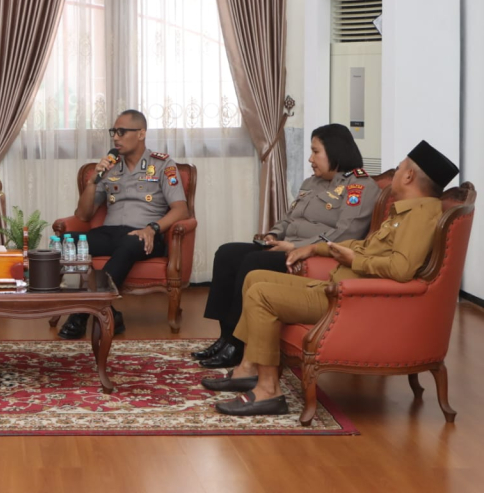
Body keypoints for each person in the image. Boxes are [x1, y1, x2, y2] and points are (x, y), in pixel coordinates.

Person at [204, 140, 458, 416]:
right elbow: (362, 246)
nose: (394, 173)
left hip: (350, 299)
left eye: (399, 169)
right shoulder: (405, 211)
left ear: (408, 176)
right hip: (339, 286)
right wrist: (316, 248)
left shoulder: (419, 216)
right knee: (254, 278)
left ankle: (268, 391)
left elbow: (401, 269)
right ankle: (249, 368)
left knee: (261, 293)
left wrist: (354, 260)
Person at [194, 124, 380, 368]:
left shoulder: (359, 186)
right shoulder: (312, 182)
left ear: (335, 151)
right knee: (227, 253)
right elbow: (289, 218)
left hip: (313, 256)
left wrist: (294, 246)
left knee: (253, 262)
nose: (310, 159)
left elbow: (344, 234)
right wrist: (273, 235)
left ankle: (238, 345)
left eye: (316, 152)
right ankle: (226, 336)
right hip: (287, 246)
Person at [58, 109, 190, 339]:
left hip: (143, 236)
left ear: (141, 134)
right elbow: (83, 215)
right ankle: (111, 313)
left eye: (121, 132)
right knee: (65, 243)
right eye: (113, 132)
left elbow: (181, 209)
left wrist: (152, 229)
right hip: (110, 233)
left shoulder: (162, 164)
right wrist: (93, 181)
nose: (115, 138)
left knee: (129, 243)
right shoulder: (110, 167)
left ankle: (81, 314)